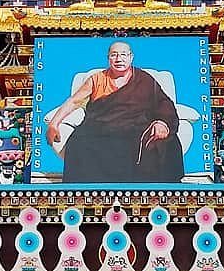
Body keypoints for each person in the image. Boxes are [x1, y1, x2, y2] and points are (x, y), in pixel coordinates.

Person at [45, 41, 183, 182]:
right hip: (101, 128)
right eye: (114, 55)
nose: (119, 59)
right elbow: (73, 101)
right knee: (79, 141)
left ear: (131, 57)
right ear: (108, 58)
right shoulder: (97, 79)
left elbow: (163, 103)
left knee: (167, 143)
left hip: (137, 128)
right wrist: (54, 124)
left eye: (123, 54)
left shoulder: (145, 79)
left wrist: (162, 123)